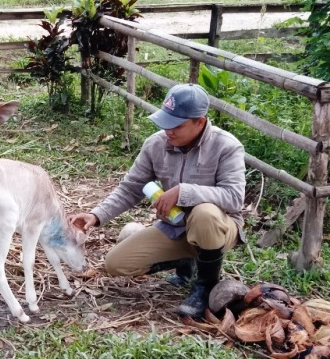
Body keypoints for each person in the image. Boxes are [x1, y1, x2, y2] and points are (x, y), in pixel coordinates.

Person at [70, 83, 246, 319]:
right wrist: (96, 215)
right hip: (177, 226)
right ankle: (186, 259)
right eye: (165, 122)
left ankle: (205, 286)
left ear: (200, 122)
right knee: (116, 264)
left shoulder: (226, 146)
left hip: (220, 229)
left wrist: (184, 192)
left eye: (177, 125)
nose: (168, 131)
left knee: (205, 213)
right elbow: (130, 188)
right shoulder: (156, 144)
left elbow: (234, 198)